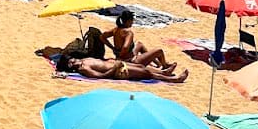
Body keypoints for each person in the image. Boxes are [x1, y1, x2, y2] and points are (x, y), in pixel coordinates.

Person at [103, 10, 177, 71]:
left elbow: (102, 37)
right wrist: (121, 57)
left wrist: (112, 48)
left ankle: (158, 63)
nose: (132, 22)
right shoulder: (128, 32)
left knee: (139, 44)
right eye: (132, 21)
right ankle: (164, 66)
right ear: (128, 21)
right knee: (159, 51)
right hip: (132, 61)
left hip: (124, 57)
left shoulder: (115, 30)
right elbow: (125, 47)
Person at [56, 53, 189, 83]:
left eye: (72, 59)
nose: (74, 61)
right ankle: (173, 79)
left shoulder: (84, 60)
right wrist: (114, 69)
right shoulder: (83, 68)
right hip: (119, 71)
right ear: (71, 66)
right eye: (71, 62)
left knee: (141, 66)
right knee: (146, 73)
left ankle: (164, 72)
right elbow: (100, 77)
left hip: (117, 65)